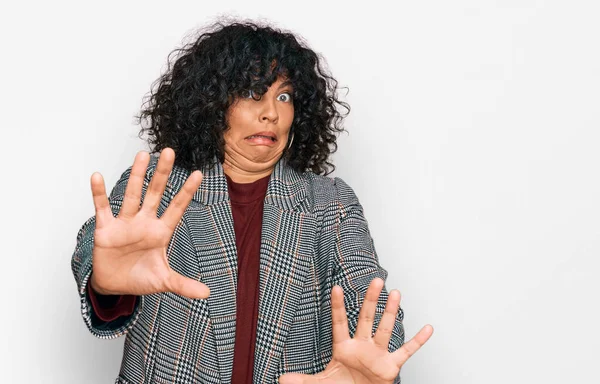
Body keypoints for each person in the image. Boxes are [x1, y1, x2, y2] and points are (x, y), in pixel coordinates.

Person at [71, 19, 433, 384]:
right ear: (212, 103)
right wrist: (103, 283)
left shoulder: (330, 202)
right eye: (252, 92)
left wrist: (371, 361)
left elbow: (366, 301)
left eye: (284, 96)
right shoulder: (158, 186)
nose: (272, 113)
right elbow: (99, 242)